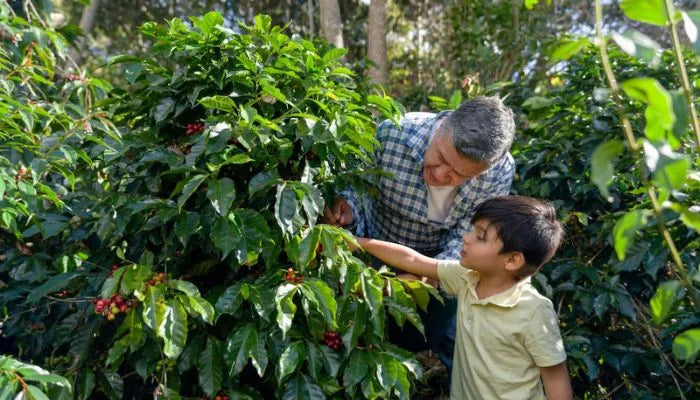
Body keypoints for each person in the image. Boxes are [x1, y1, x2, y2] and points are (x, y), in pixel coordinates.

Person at [323, 96, 516, 371]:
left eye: (458, 175)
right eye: (439, 158)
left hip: (436, 261)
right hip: (373, 247)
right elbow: (358, 187)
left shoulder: (499, 172)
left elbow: (471, 233)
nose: (439, 174)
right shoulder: (393, 133)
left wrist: (426, 276)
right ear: (442, 127)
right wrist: (347, 210)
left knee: (422, 336)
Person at [353, 196, 572, 400]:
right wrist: (356, 241)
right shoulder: (467, 278)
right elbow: (412, 259)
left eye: (480, 236)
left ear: (512, 260)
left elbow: (555, 378)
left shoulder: (534, 311)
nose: (466, 238)